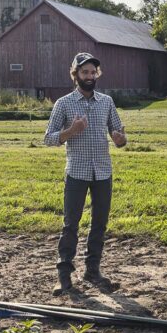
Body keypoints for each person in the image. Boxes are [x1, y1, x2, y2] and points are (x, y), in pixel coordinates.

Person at [44, 52, 127, 295]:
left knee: (99, 224)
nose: (89, 76)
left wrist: (121, 139)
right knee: (71, 225)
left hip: (103, 172)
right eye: (84, 72)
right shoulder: (64, 104)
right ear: (75, 75)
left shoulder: (107, 102)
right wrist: (71, 130)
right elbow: (48, 139)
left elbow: (118, 135)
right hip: (77, 173)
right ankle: (64, 275)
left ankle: (93, 270)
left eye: (93, 72)